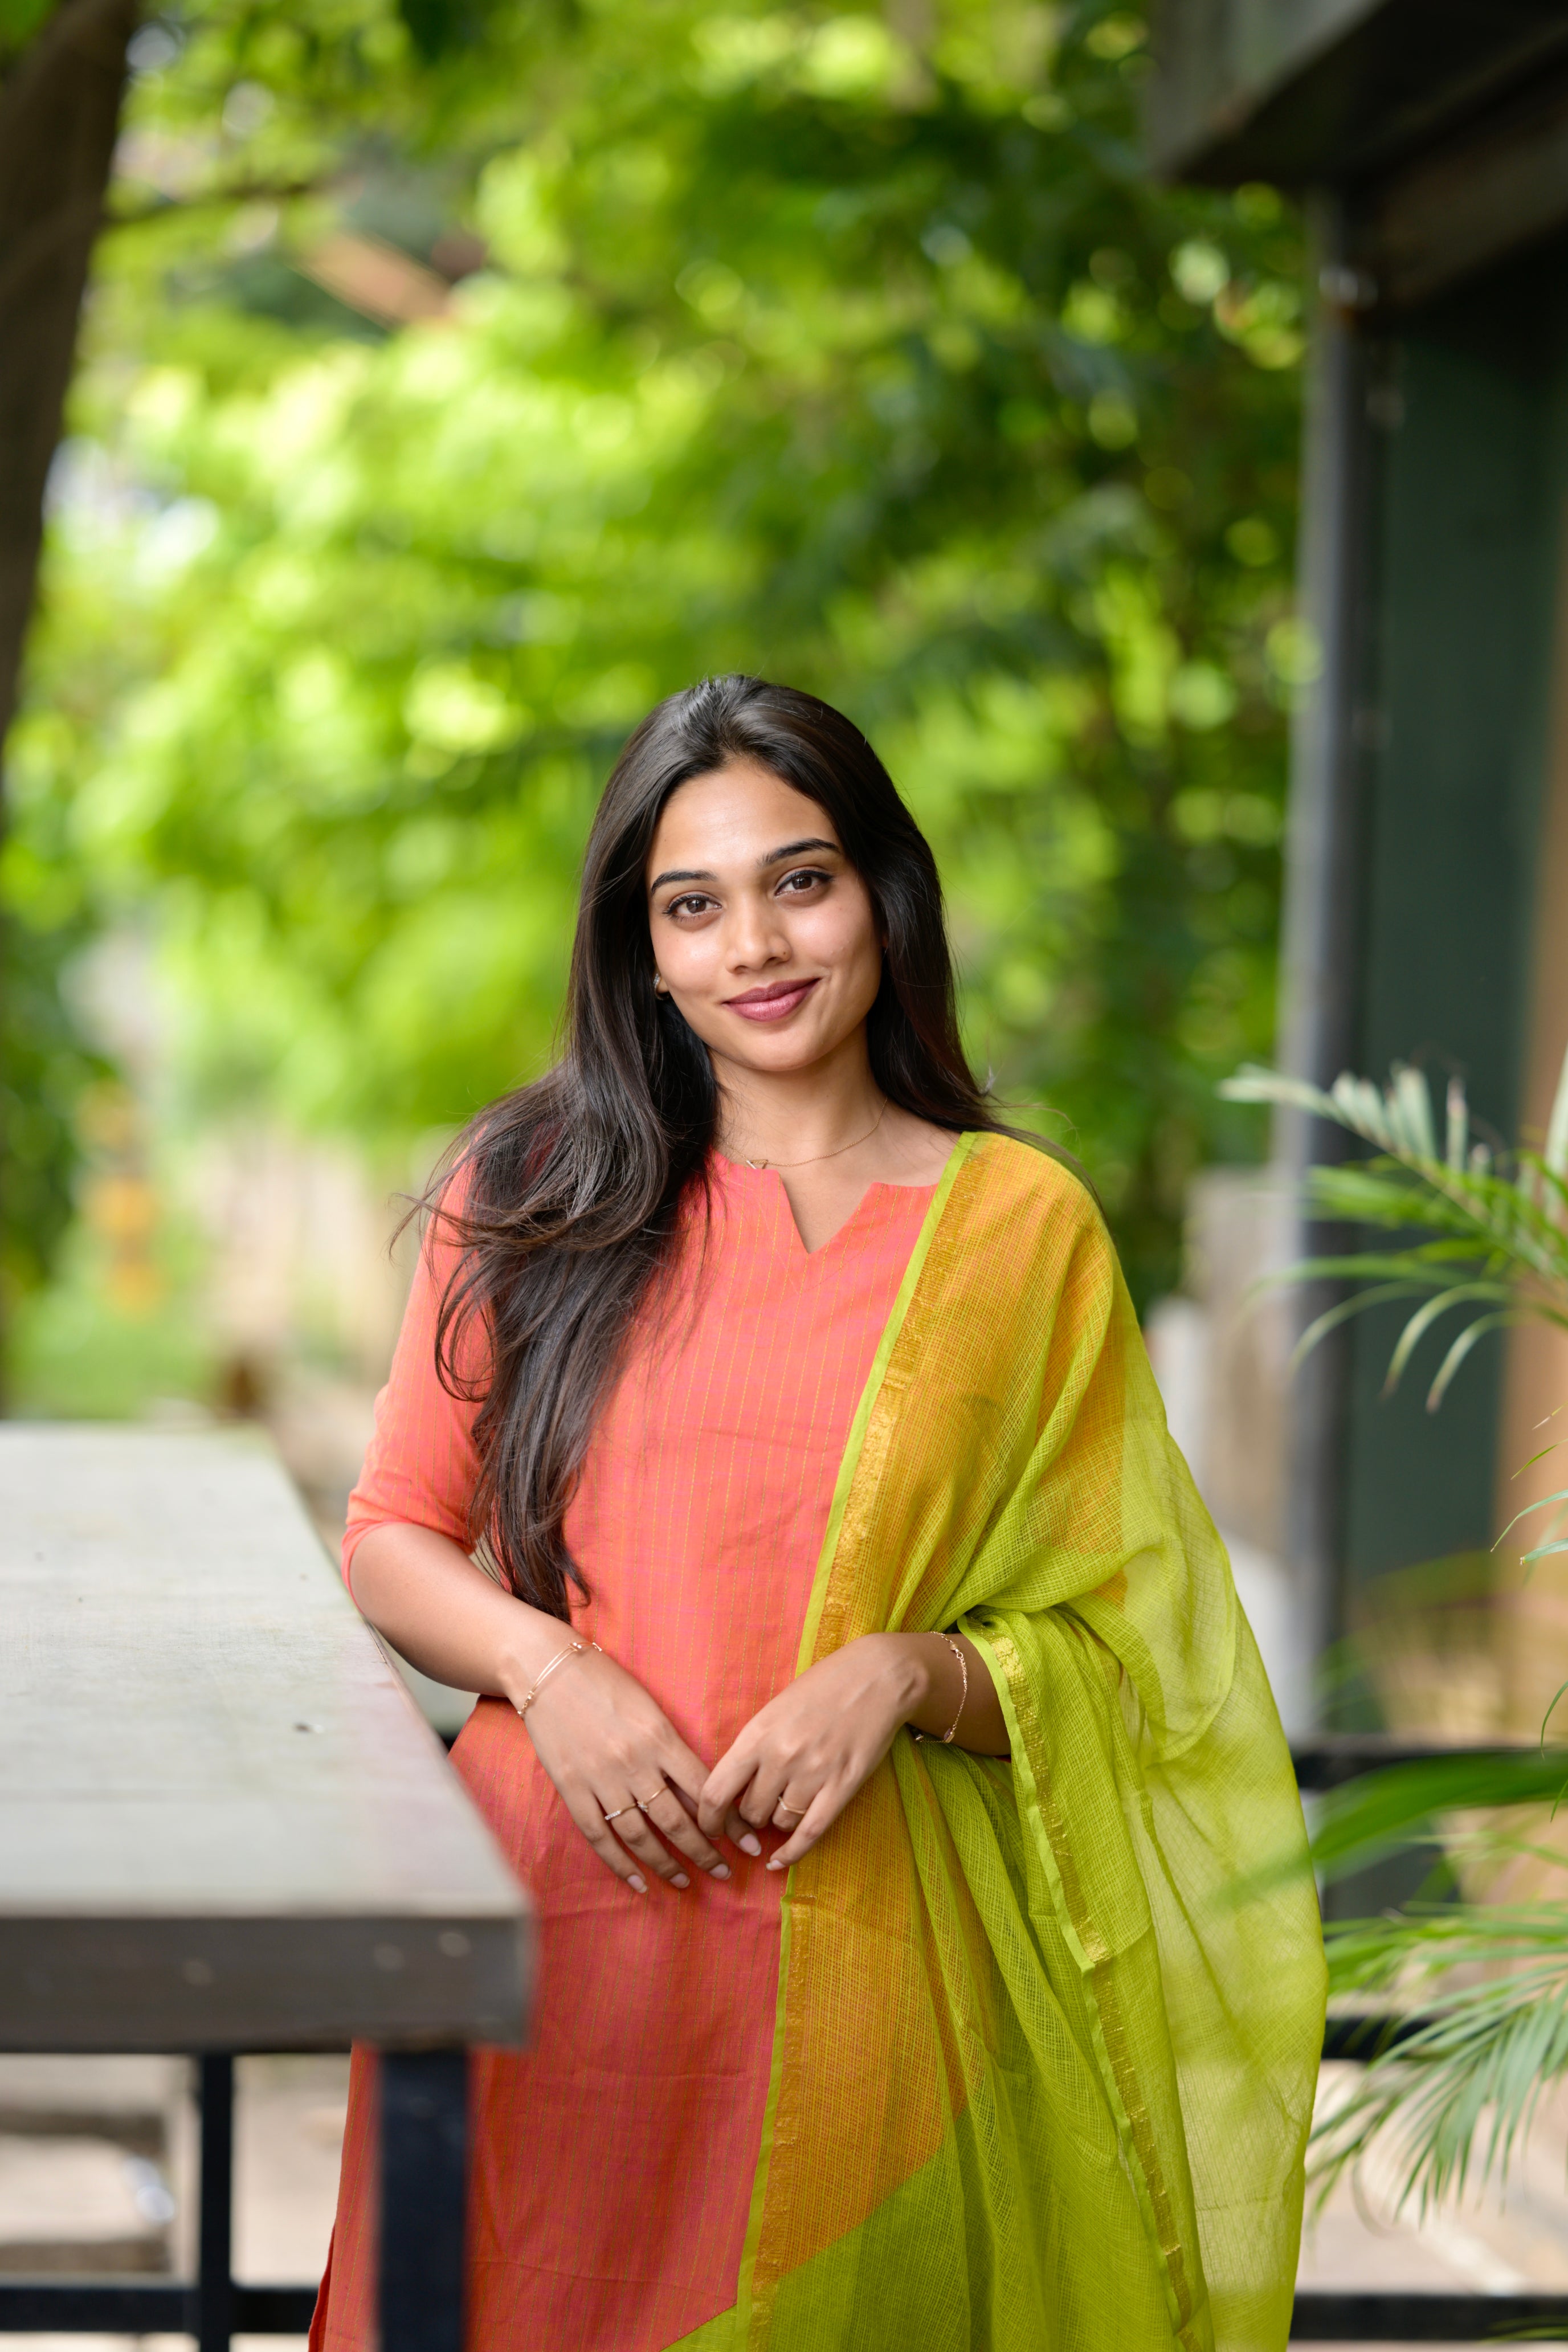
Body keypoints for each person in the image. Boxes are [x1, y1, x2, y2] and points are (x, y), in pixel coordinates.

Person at [309, 675, 1325, 2352]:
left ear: (882, 896)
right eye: (690, 906)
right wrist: (553, 1674)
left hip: (863, 1971)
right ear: (642, 952)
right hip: (548, 1945)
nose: (754, 946)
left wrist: (909, 1673)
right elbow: (391, 1536)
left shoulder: (1019, 1231)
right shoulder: (536, 1191)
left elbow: (1139, 1661)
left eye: (801, 880)